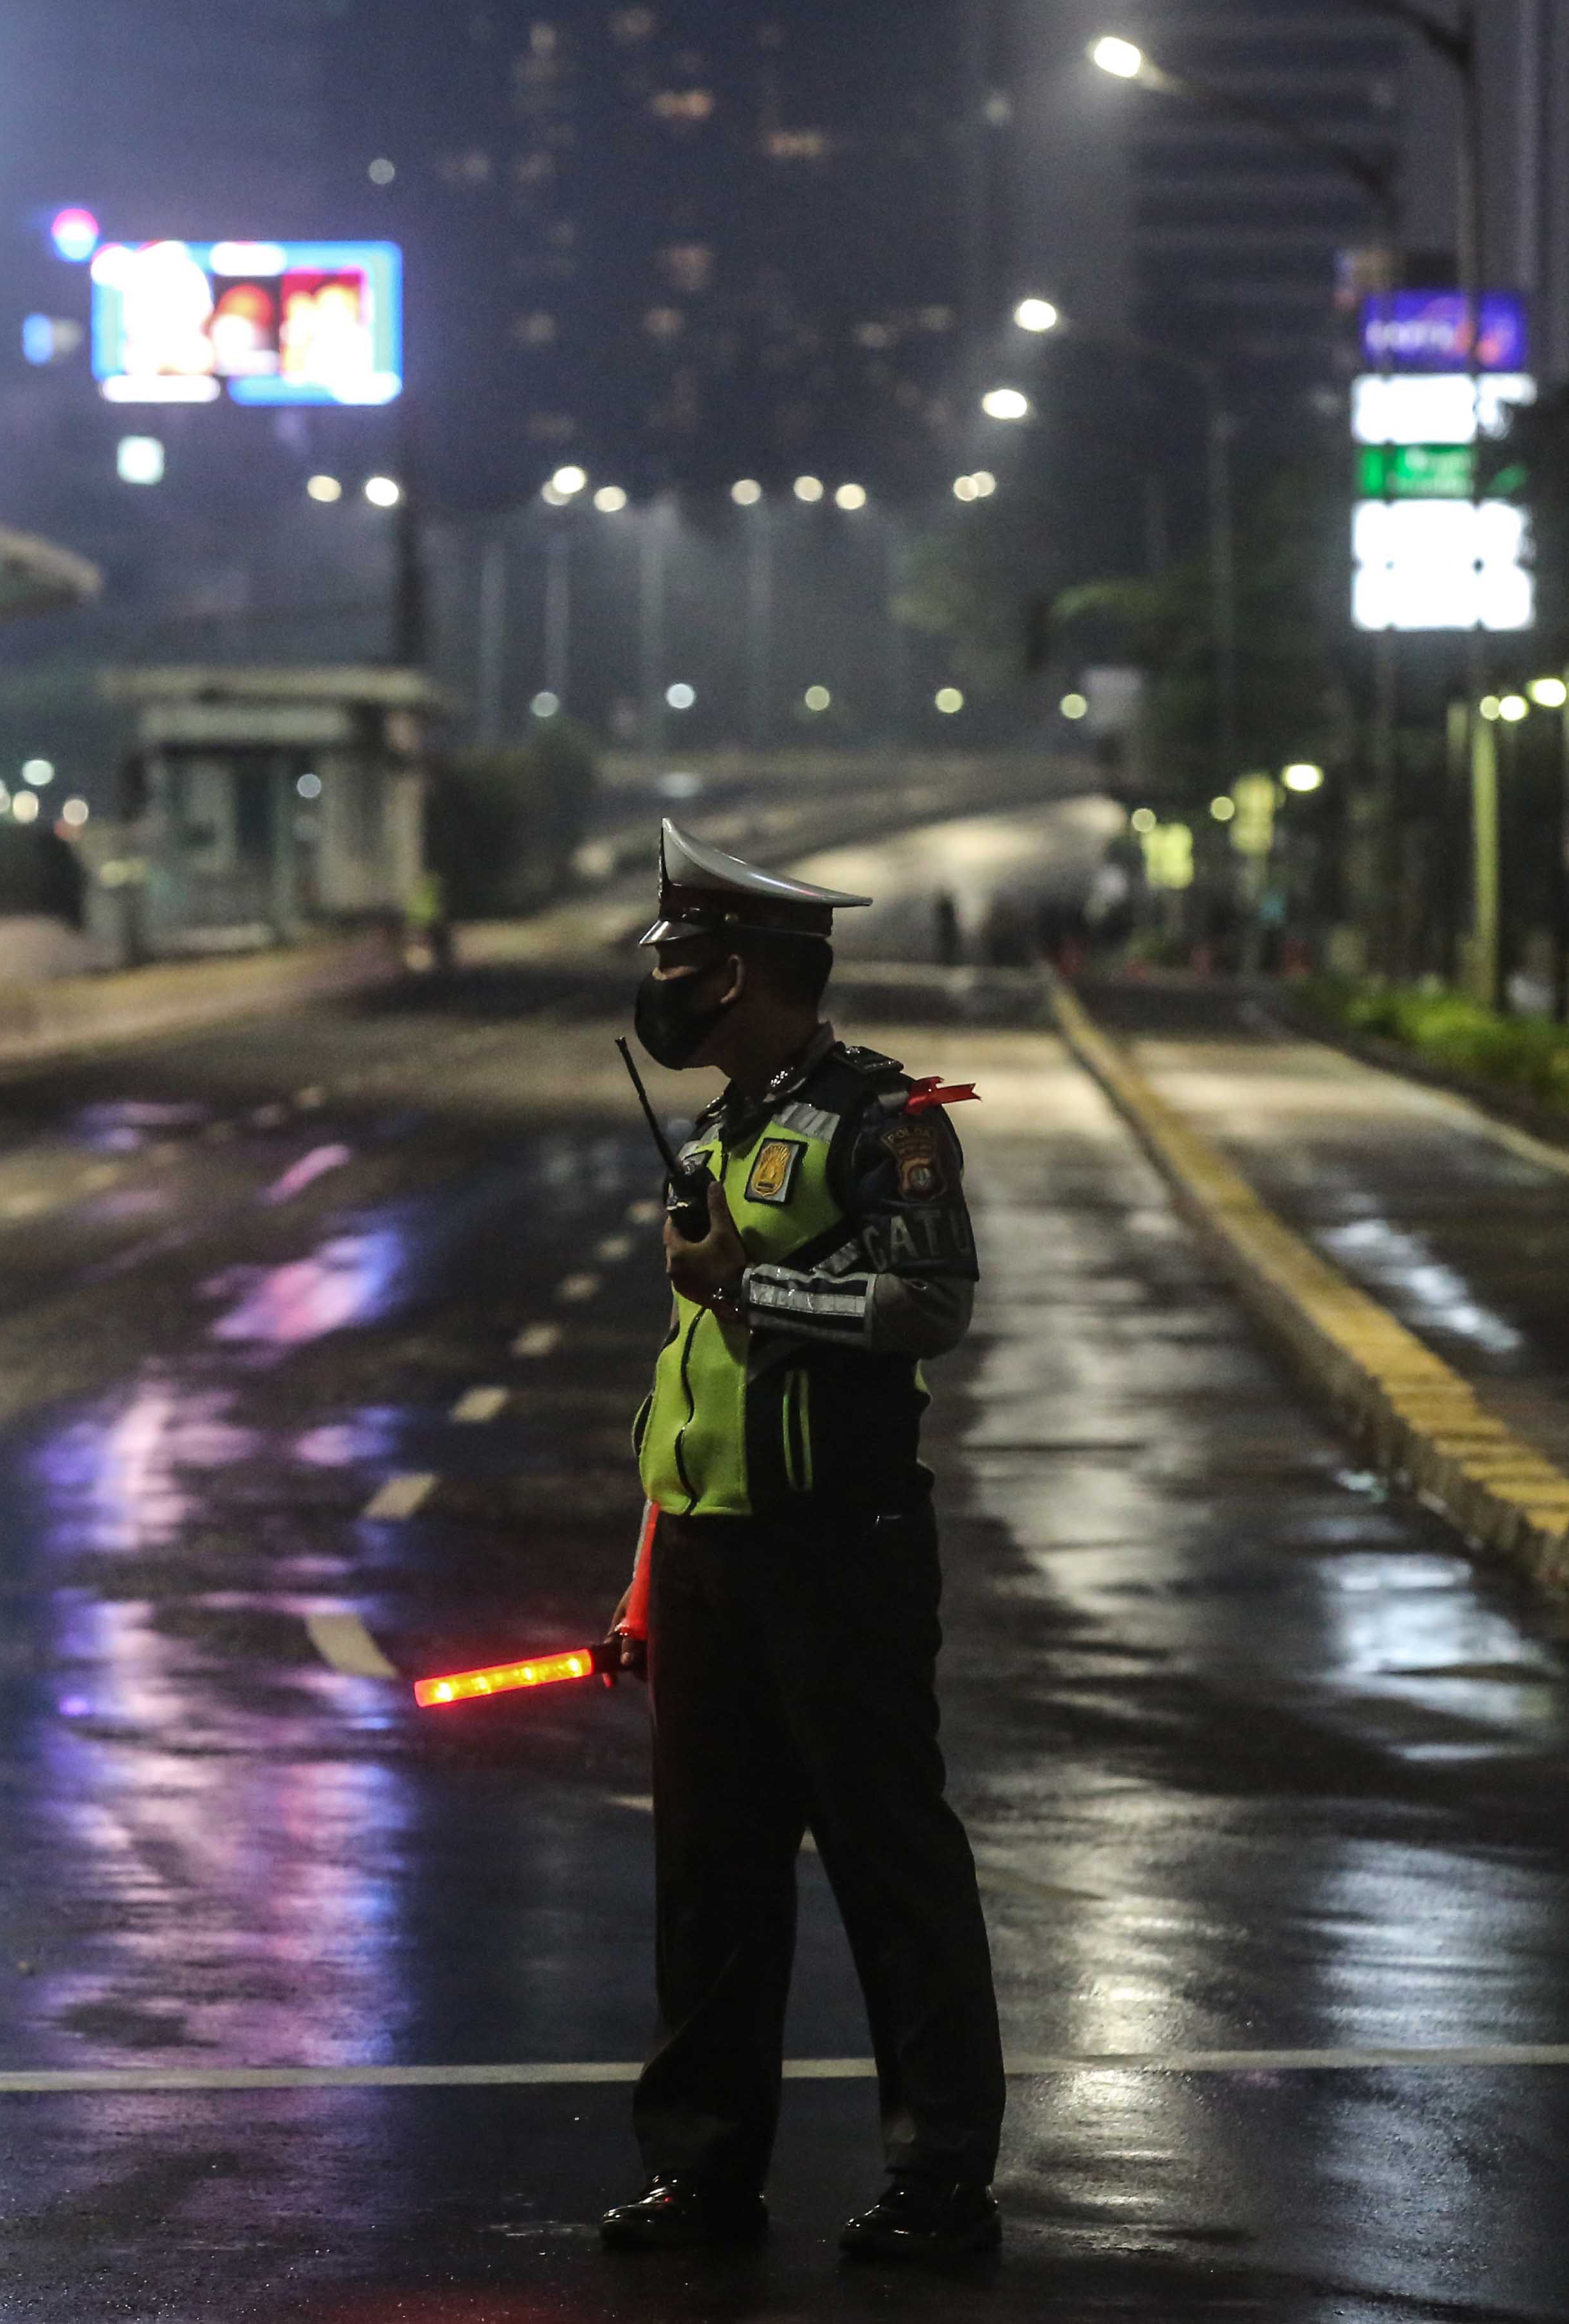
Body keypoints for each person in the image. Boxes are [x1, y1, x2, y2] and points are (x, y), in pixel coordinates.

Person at [595, 821, 1006, 2266]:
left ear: (752, 977)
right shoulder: (717, 1133)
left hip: (839, 1552)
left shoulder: (885, 1118)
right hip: (712, 1559)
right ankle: (702, 2170)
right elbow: (685, 1385)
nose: (666, 992)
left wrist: (756, 1290)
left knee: (890, 1866)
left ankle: (939, 2180)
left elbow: (930, 1303)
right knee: (709, 1878)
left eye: (687, 966)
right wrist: (648, 1583)